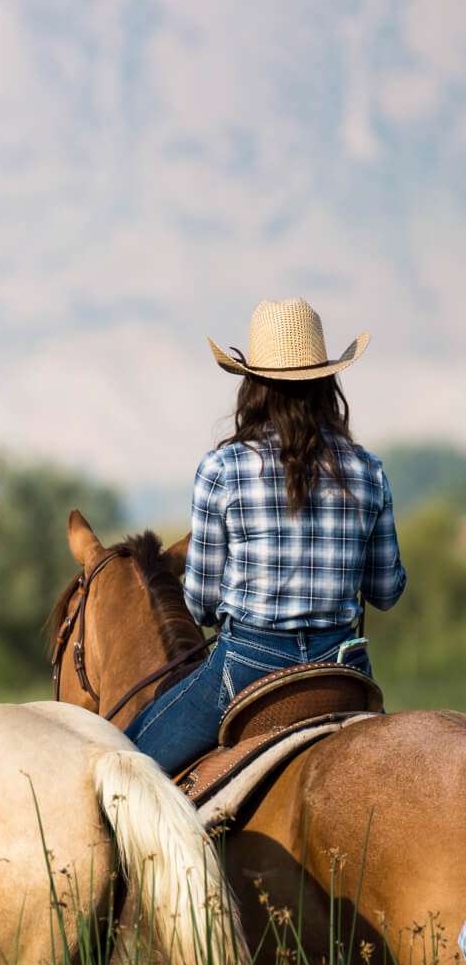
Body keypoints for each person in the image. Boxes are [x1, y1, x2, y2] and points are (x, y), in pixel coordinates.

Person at [125, 298, 406, 773]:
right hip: (343, 671)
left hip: (248, 667)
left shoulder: (222, 469)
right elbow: (386, 592)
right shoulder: (367, 470)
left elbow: (199, 602)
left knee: (126, 765)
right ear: (327, 381)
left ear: (251, 385)